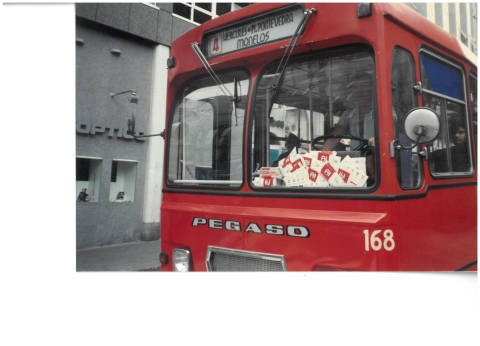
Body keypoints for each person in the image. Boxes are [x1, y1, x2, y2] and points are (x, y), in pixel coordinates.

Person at [322, 71, 376, 183]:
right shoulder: (349, 113)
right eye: (356, 87)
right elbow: (334, 138)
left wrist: (378, 139)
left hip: (378, 162)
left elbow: (390, 125)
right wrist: (321, 159)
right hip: (355, 164)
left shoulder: (381, 108)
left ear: (372, 88)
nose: (359, 91)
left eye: (364, 86)